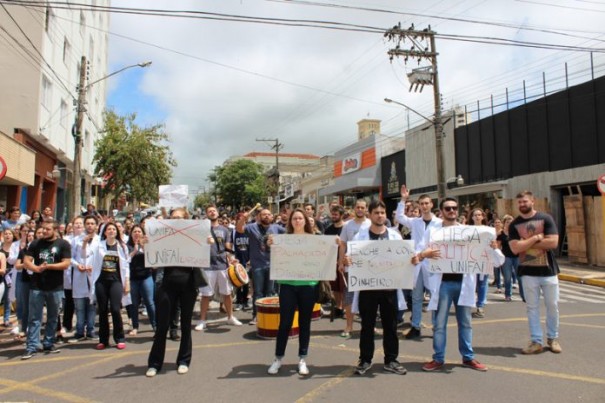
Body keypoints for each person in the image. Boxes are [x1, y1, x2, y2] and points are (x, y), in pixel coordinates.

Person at [419, 198, 502, 372]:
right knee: (439, 324)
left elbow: (497, 262)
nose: (451, 211)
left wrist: (494, 247)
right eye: (448, 208)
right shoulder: (433, 232)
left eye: (454, 208)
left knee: (465, 323)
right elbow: (419, 254)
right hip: (442, 285)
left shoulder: (470, 232)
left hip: (464, 283)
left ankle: (468, 357)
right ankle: (438, 358)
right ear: (441, 211)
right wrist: (424, 254)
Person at [267, 208, 330, 376]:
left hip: (308, 285)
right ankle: (278, 358)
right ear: (290, 221)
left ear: (305, 221)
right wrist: (270, 244)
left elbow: (328, 253)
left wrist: (337, 243)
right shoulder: (283, 240)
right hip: (287, 285)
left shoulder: (315, 240)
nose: (297, 221)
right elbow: (269, 248)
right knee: (285, 323)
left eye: (300, 218)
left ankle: (302, 358)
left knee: (304, 323)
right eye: (294, 218)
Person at [348, 200, 407, 376]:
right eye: (376, 213)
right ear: (370, 215)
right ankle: (365, 360)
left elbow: (404, 259)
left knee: (391, 325)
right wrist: (347, 260)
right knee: (367, 326)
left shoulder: (395, 236)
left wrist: (411, 260)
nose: (380, 215)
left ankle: (391, 360)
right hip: (368, 289)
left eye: (382, 212)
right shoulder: (360, 236)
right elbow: (351, 258)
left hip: (389, 289)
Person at [147, 208, 207, 377]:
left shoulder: (193, 238)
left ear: (186, 220)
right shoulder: (162, 238)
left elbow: (203, 257)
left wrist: (207, 243)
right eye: (173, 218)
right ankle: (155, 363)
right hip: (166, 285)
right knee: (162, 326)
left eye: (179, 218)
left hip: (188, 286)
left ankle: (183, 361)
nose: (176, 220)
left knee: (186, 324)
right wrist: (148, 244)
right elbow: (153, 263)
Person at [509, 190, 561, 354]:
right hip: (528, 272)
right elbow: (514, 248)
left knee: (552, 306)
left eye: (525, 201)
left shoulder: (545, 218)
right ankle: (536, 341)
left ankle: (553, 338)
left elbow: (553, 243)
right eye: (520, 202)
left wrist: (525, 243)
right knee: (532, 308)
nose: (522, 204)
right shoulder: (514, 224)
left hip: (549, 271)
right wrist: (536, 238)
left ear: (533, 201)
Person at [395, 187, 442, 339]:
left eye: (426, 203)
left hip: (434, 262)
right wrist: (403, 199)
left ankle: (437, 326)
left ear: (431, 204)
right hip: (418, 263)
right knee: (416, 297)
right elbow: (400, 217)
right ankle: (416, 326)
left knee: (435, 295)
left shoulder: (440, 223)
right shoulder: (415, 222)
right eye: (421, 203)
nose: (424, 206)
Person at [22, 220, 71, 360]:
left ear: (55, 230)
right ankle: (31, 346)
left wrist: (49, 266)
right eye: (43, 229)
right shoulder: (36, 243)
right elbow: (26, 261)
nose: (44, 231)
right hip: (37, 286)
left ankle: (49, 343)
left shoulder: (63, 244)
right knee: (34, 318)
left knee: (53, 317)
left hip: (55, 287)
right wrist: (35, 268)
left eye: (48, 229)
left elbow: (66, 263)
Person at [196, 205, 242, 330]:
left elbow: (228, 248)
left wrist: (232, 259)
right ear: (206, 214)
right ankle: (202, 320)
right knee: (206, 295)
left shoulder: (225, 230)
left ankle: (230, 317)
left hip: (222, 266)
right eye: (209, 211)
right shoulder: (201, 230)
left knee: (227, 293)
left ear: (217, 213)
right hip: (207, 266)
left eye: (214, 210)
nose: (212, 212)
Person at [235, 208, 285, 325]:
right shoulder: (252, 227)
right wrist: (243, 219)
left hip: (273, 265)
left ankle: (268, 315)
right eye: (264, 214)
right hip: (257, 265)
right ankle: (256, 315)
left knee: (271, 292)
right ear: (258, 217)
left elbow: (291, 236)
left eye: (269, 214)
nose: (266, 216)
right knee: (258, 292)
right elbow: (239, 229)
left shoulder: (277, 228)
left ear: (272, 217)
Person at [87, 222, 130, 350]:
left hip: (116, 281)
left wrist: (127, 282)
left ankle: (119, 338)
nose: (111, 231)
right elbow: (89, 257)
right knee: (103, 310)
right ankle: (103, 340)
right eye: (108, 229)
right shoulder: (98, 246)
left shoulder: (122, 246)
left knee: (116, 309)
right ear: (104, 232)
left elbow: (126, 265)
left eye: (113, 229)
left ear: (116, 232)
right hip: (101, 281)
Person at [338, 199, 370, 338]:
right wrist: (340, 262)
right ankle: (349, 326)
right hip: (350, 266)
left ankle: (368, 326)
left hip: (368, 267)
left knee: (368, 298)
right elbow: (343, 245)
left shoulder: (371, 223)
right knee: (349, 297)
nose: (360, 209)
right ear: (354, 209)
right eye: (358, 207)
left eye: (362, 207)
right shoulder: (347, 226)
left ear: (366, 209)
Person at [69, 216, 98, 343]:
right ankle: (79, 331)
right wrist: (77, 265)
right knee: (80, 306)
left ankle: (91, 331)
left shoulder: (100, 240)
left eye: (92, 223)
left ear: (96, 225)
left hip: (93, 275)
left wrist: (95, 266)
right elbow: (69, 257)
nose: (90, 226)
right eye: (88, 223)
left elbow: (101, 258)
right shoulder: (76, 240)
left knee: (92, 306)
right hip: (80, 275)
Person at [127, 224, 156, 336]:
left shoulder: (148, 245)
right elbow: (125, 260)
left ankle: (155, 326)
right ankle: (135, 326)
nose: (137, 234)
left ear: (143, 234)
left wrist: (144, 247)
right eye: (135, 231)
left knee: (149, 302)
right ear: (131, 234)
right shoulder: (127, 245)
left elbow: (153, 260)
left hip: (146, 277)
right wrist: (134, 250)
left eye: (139, 231)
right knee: (134, 304)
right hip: (133, 279)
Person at [324, 205, 346, 318]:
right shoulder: (328, 229)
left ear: (341, 215)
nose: (334, 216)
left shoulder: (346, 228)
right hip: (333, 262)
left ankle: (345, 307)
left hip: (345, 262)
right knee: (336, 287)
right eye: (332, 214)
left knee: (344, 287)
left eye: (336, 214)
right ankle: (339, 307)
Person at [469, 208, 489, 318]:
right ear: (472, 217)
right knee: (471, 283)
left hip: (483, 260)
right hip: (471, 260)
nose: (477, 216)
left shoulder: (487, 230)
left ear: (482, 217)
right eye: (475, 215)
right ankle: (469, 304)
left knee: (482, 283)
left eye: (479, 215)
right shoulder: (467, 230)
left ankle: (480, 306)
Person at [498, 215, 520, 302]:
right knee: (507, 277)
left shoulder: (517, 233)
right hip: (506, 257)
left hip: (517, 256)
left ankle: (523, 294)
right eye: (507, 222)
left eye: (511, 222)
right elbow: (498, 246)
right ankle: (508, 295)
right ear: (504, 223)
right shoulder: (501, 234)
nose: (509, 223)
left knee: (520, 277)